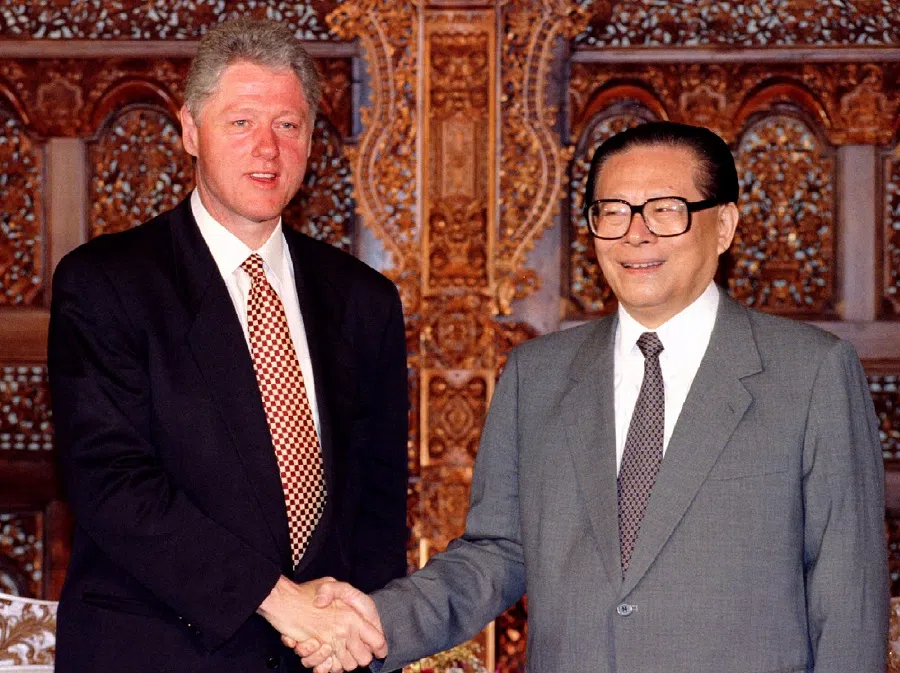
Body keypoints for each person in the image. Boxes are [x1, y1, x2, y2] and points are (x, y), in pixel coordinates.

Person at [295, 121, 889, 673]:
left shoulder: (810, 373)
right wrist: (376, 623)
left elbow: (849, 595)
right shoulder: (537, 375)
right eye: (613, 211)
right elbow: (497, 552)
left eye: (665, 210)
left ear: (725, 225)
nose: (635, 234)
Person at [48, 18, 408, 673]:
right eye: (241, 122)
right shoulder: (106, 284)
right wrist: (279, 600)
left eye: (288, 125)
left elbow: (379, 506)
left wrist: (357, 636)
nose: (267, 149)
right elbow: (113, 485)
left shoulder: (364, 300)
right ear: (191, 130)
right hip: (158, 656)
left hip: (323, 659)